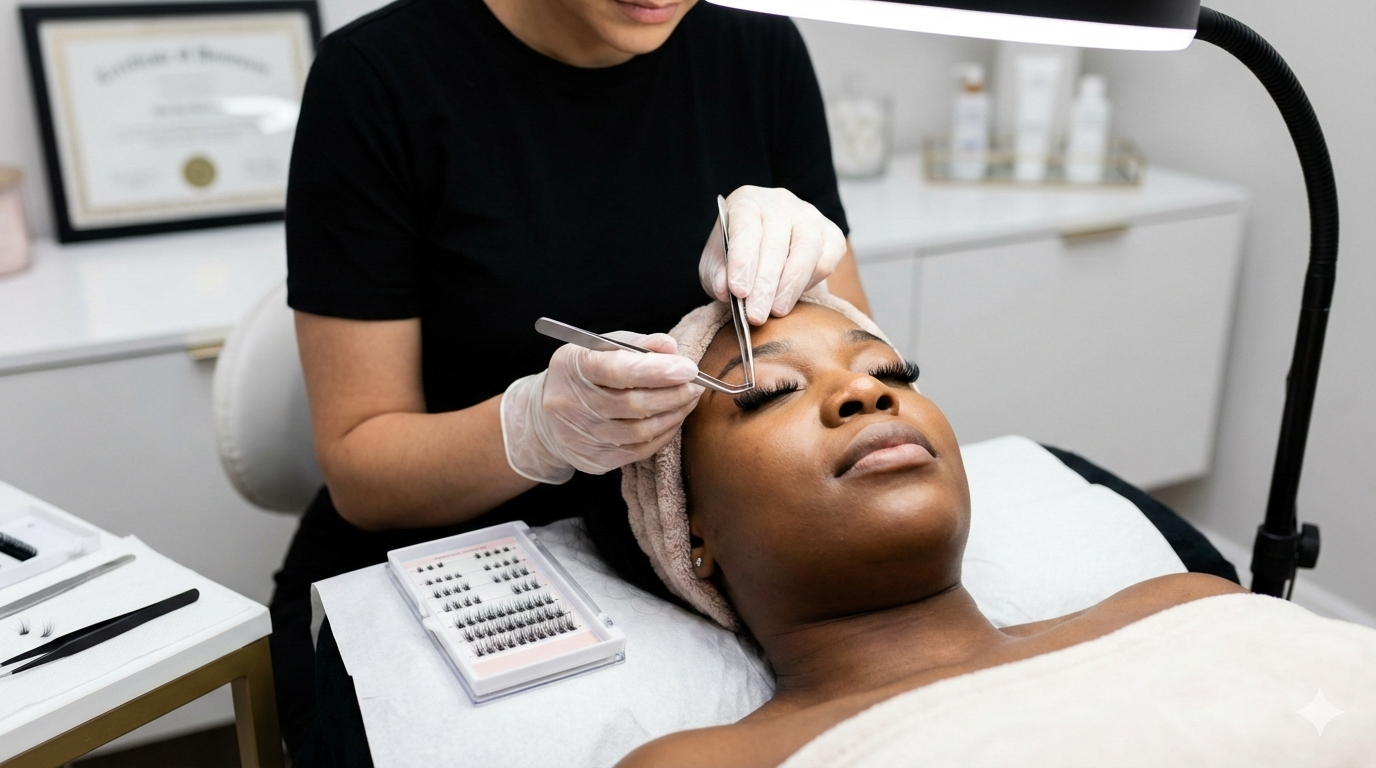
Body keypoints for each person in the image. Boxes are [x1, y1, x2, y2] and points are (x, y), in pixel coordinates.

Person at [275, 0, 869, 756]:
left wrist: (810, 277)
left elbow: (855, 351)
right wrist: (532, 430)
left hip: (694, 548)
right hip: (444, 555)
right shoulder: (377, 78)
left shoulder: (762, 52)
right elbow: (362, 470)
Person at [582, 295, 1376, 768]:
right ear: (693, 535)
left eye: (892, 373)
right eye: (774, 390)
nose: (865, 390)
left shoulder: (1185, 606)